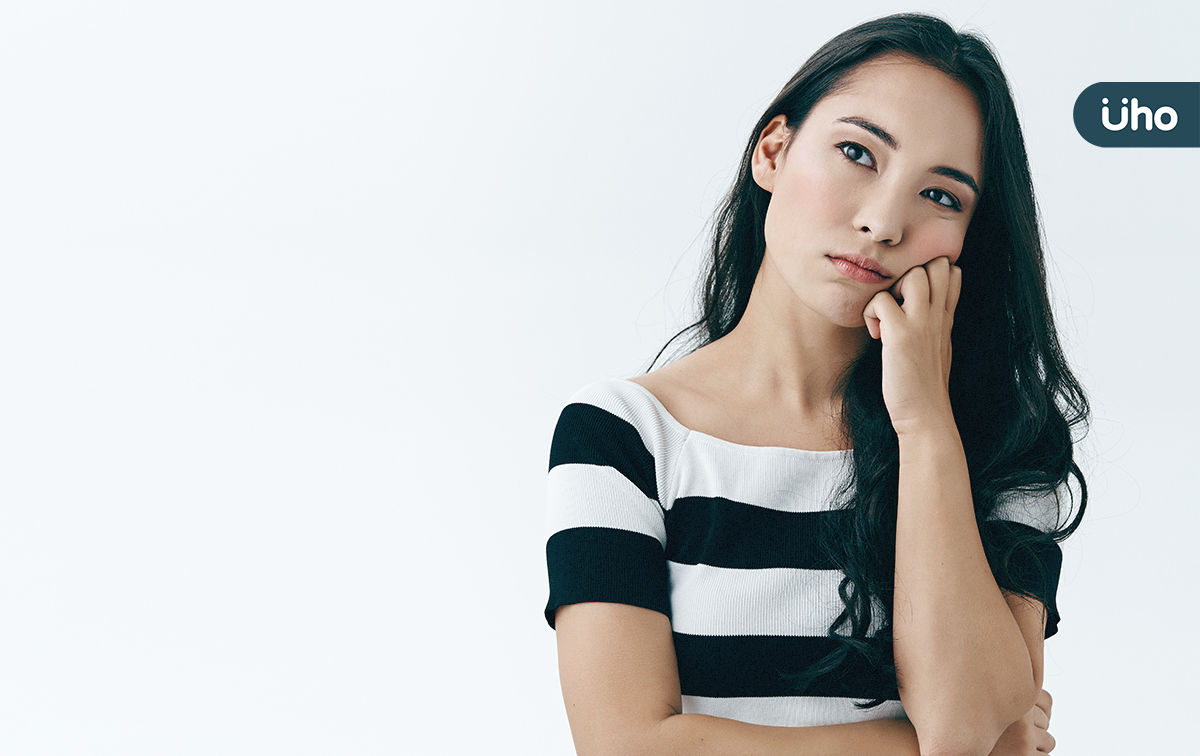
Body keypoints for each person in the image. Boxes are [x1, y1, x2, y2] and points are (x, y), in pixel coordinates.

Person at [544, 12, 1087, 756]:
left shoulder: (1004, 443)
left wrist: (925, 424)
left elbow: (962, 720)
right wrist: (921, 747)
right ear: (773, 151)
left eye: (942, 196)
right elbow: (623, 745)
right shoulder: (624, 434)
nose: (884, 222)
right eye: (858, 153)